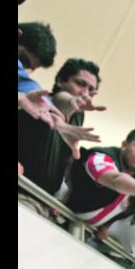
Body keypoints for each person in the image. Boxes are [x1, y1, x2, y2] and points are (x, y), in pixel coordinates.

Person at [19, 57, 106, 196]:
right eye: (80, 83)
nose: (85, 93)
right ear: (60, 80)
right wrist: (72, 100)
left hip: (44, 200)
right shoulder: (43, 103)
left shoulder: (78, 116)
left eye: (91, 90)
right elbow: (61, 99)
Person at [65, 127, 135, 228]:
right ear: (124, 145)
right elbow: (115, 179)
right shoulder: (100, 157)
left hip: (86, 231)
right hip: (61, 213)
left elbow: (129, 211)